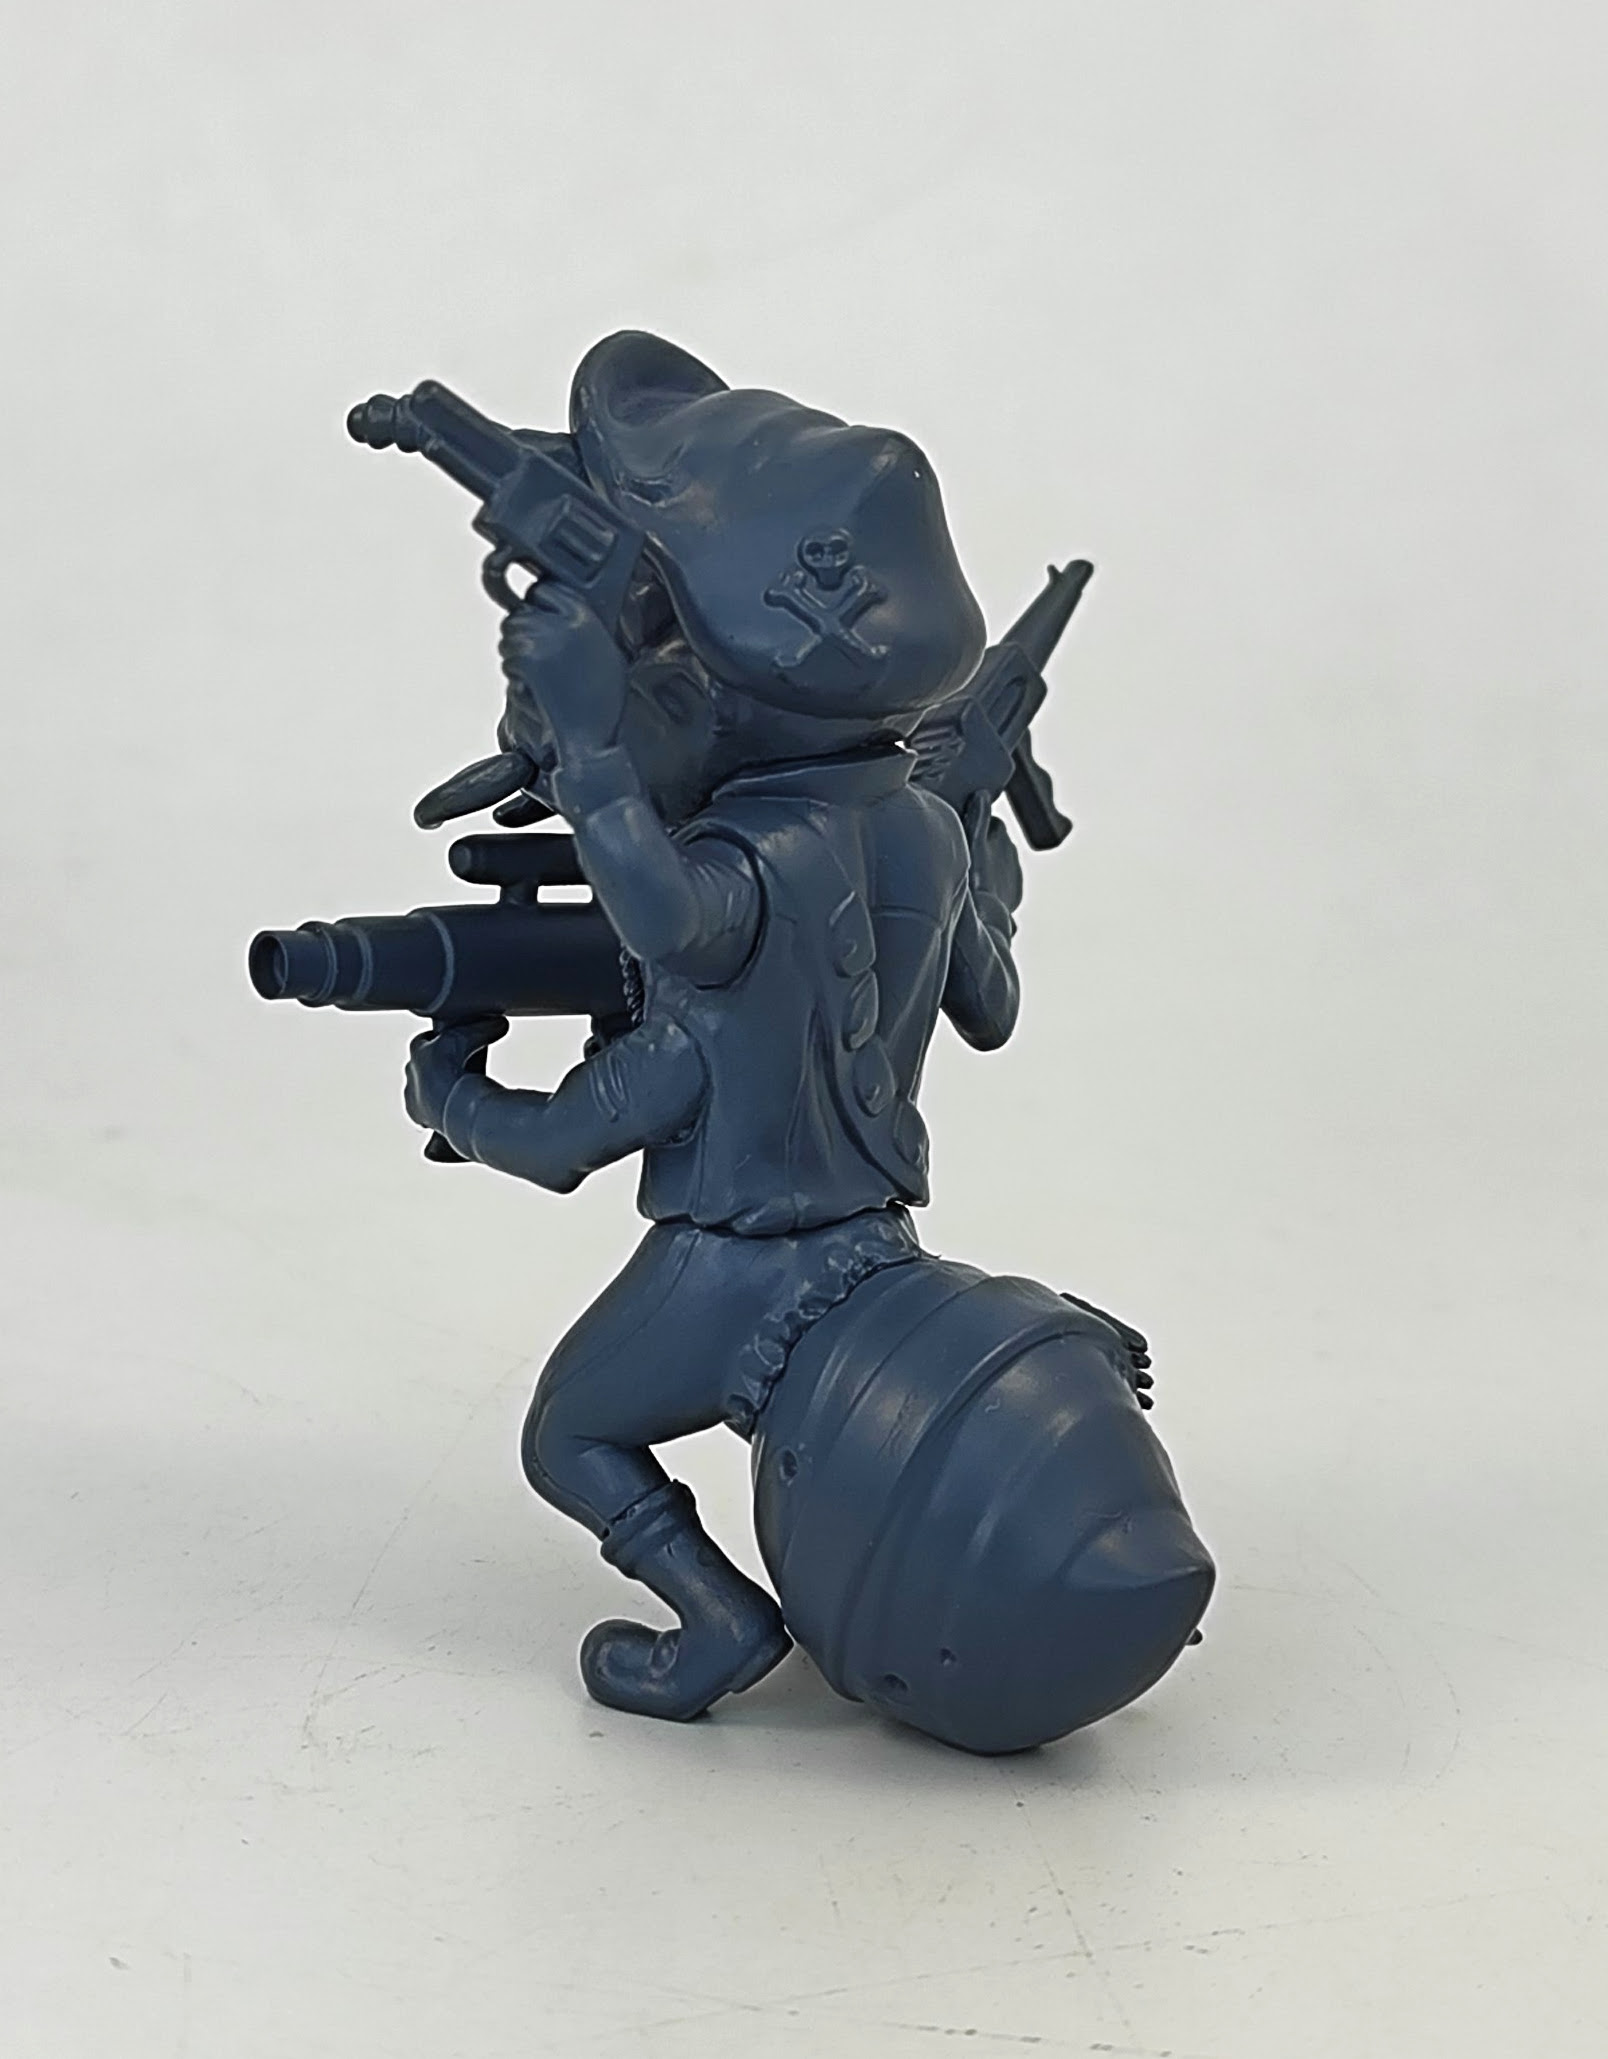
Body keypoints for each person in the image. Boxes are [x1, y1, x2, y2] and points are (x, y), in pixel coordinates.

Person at [401, 333, 1024, 1721]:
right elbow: (991, 1005)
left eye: (667, 653)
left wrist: (449, 1095)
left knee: (567, 1437)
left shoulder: (731, 894)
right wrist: (988, 853)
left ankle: (719, 1618)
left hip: (738, 1271)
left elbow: (565, 1132)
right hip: (880, 1249)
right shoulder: (926, 833)